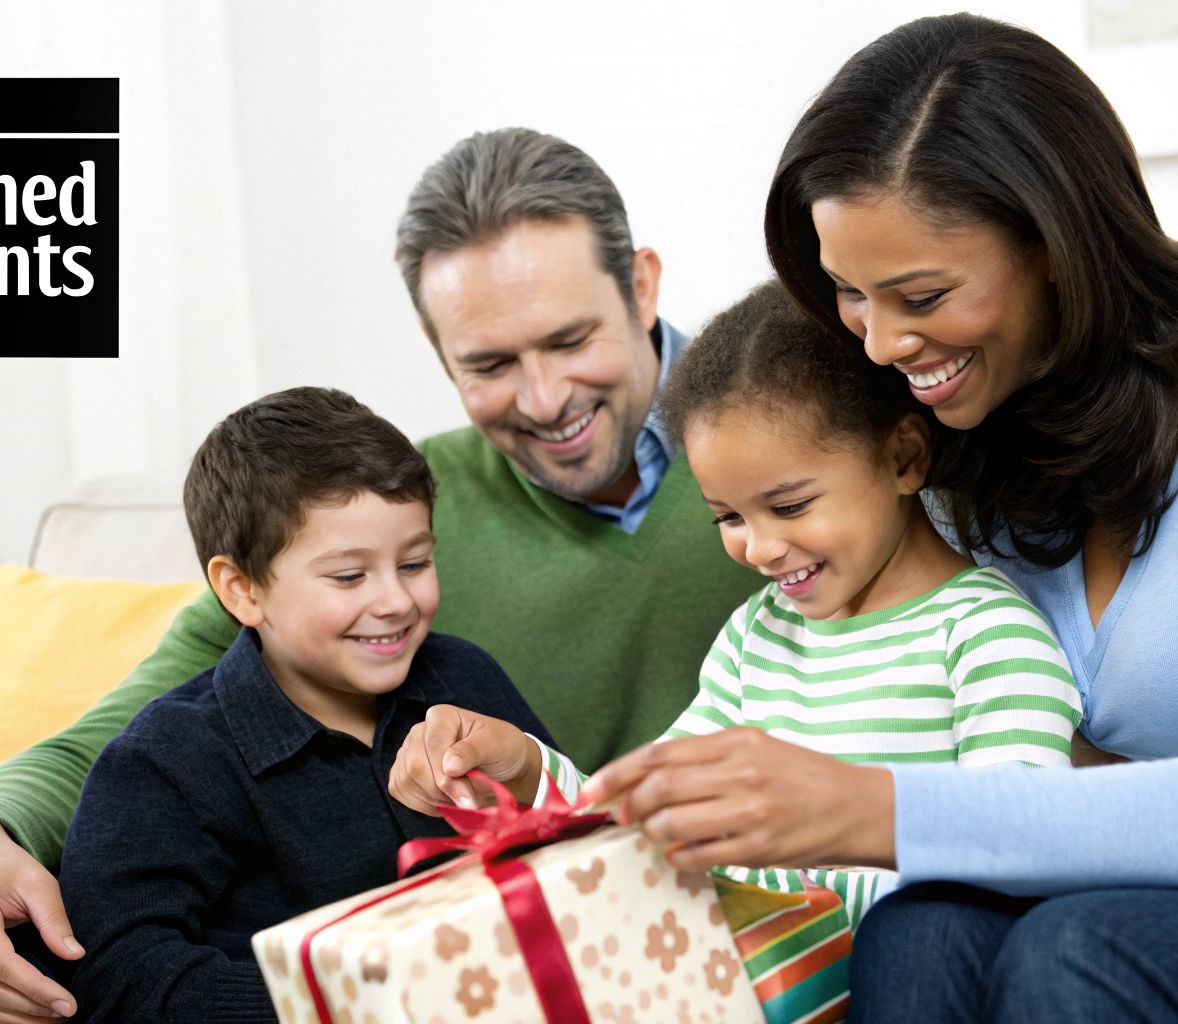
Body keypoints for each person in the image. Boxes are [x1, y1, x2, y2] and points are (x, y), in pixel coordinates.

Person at [579, 13, 1178, 1022]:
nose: (878, 343)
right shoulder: (979, 423)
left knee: (1078, 956)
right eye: (847, 293)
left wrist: (867, 804)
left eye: (919, 292)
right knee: (921, 929)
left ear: (1054, 244)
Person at [0, 128, 762, 1024]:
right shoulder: (395, 505)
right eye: (488, 364)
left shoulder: (798, 465)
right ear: (440, 353)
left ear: (640, 286)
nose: (545, 397)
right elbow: (142, 727)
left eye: (569, 339)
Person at [387, 281, 1082, 927]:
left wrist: (785, 876)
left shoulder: (989, 634)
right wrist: (527, 769)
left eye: (789, 506)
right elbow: (638, 815)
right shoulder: (759, 636)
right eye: (729, 518)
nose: (762, 548)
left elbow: (1014, 852)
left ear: (903, 457)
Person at [51, 387, 551, 1022]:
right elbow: (121, 973)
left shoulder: (463, 676)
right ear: (242, 590)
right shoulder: (167, 760)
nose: (396, 600)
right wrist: (348, 1007)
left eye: (415, 562)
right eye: (349, 576)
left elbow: (573, 841)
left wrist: (529, 777)